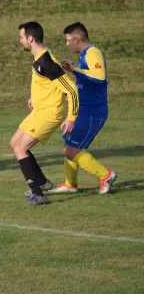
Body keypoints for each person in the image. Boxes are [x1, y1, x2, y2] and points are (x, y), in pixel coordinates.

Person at [9, 22, 79, 206]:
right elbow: (46, 84)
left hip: (49, 114)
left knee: (20, 148)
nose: (20, 41)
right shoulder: (40, 59)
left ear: (30, 38)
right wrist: (35, 97)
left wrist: (71, 117)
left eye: (21, 38)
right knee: (14, 143)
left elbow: (71, 90)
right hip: (40, 110)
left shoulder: (47, 63)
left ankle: (38, 194)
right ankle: (41, 182)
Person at [47, 22, 116, 194]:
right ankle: (71, 184)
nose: (67, 43)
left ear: (77, 39)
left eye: (69, 40)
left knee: (71, 150)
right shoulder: (85, 54)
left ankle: (105, 174)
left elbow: (100, 77)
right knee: (70, 144)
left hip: (93, 111)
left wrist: (75, 70)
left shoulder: (93, 53)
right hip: (85, 109)